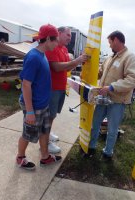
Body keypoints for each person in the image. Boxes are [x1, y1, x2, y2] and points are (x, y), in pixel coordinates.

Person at [85, 30, 135, 159]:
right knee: (95, 123)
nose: (109, 45)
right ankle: (91, 146)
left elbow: (133, 79)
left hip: (117, 101)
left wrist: (111, 87)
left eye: (110, 42)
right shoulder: (110, 57)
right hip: (102, 98)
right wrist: (89, 69)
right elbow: (100, 72)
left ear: (116, 40)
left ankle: (108, 152)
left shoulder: (129, 57)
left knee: (112, 129)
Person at [16, 24, 62, 170]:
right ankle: (20, 157)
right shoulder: (34, 57)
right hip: (33, 106)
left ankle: (45, 157)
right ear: (48, 39)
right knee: (28, 134)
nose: (57, 43)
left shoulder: (42, 55)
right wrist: (29, 111)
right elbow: (26, 85)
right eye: (56, 40)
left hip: (43, 104)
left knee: (45, 131)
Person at [45, 26, 88, 153]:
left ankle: (48, 133)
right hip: (52, 88)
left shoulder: (64, 49)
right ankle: (45, 142)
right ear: (59, 33)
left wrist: (77, 62)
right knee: (49, 116)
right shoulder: (52, 48)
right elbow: (57, 67)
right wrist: (76, 61)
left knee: (53, 115)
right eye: (68, 35)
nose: (70, 38)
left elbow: (67, 69)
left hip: (60, 88)